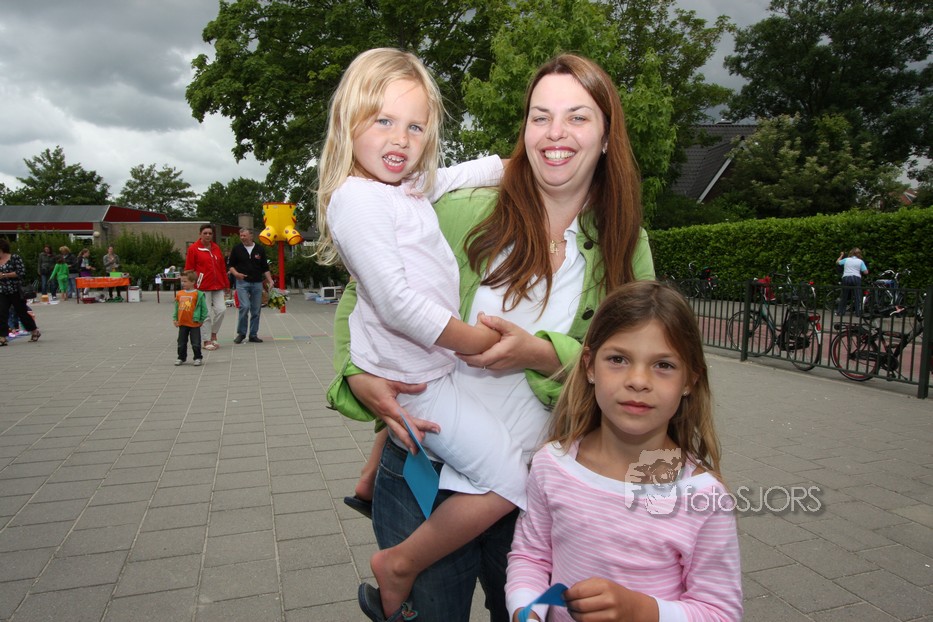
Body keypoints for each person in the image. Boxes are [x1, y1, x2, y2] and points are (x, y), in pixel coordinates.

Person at [328, 53, 655, 621]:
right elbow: (367, 292)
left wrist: (542, 354)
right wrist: (358, 377)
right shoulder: (462, 209)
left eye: (578, 117)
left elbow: (642, 365)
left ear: (607, 138)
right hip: (424, 472)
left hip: (538, 490)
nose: (555, 133)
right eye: (540, 117)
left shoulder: (625, 242)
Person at [315, 48, 512, 621]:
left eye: (415, 126)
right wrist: (476, 343)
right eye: (383, 120)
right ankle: (397, 566)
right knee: (509, 478)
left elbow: (459, 175)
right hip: (420, 380)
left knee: (495, 473)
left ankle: (394, 551)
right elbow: (396, 304)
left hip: (428, 373)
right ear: (348, 121)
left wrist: (513, 163)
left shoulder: (403, 186)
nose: (400, 139)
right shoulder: (357, 198)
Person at [505, 281, 742, 621]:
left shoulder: (704, 497)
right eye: (618, 359)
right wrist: (527, 611)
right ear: (589, 366)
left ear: (690, 380)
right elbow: (531, 557)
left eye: (663, 365)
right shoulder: (551, 465)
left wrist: (642, 610)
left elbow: (720, 612)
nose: (638, 380)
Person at [184, 224, 229, 350]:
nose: (208, 235)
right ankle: (206, 340)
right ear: (200, 234)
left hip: (218, 285)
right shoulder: (193, 249)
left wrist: (226, 284)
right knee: (206, 313)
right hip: (202, 286)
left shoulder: (216, 248)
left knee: (221, 310)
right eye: (205, 233)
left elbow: (222, 267)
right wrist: (190, 285)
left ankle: (214, 334)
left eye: (210, 233)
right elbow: (189, 269)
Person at [227, 227, 274, 344]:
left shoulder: (259, 249)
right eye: (241, 236)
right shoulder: (237, 249)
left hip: (257, 282)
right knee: (245, 306)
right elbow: (230, 265)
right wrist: (236, 274)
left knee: (256, 309)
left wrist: (270, 280)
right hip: (242, 282)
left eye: (245, 235)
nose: (242, 238)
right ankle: (241, 333)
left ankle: (253, 334)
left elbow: (265, 267)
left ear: (251, 236)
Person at [0, 238, 41, 345]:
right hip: (2, 290)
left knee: (21, 312)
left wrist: (4, 275)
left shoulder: (14, 258)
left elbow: (21, 272)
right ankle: (2, 337)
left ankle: (34, 330)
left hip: (16, 290)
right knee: (2, 313)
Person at [173, 270, 208, 366]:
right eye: (182, 281)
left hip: (194, 323)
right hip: (182, 322)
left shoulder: (198, 294)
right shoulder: (179, 294)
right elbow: (176, 307)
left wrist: (201, 319)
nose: (182, 283)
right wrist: (175, 319)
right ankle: (181, 357)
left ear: (193, 282)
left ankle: (198, 357)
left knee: (196, 342)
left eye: (185, 281)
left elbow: (204, 309)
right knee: (181, 342)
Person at [836, 248, 868, 316]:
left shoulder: (846, 259)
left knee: (844, 295)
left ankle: (840, 312)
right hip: (856, 278)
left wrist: (841, 255)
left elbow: (837, 262)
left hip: (846, 277)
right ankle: (858, 313)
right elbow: (866, 272)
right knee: (857, 296)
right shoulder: (860, 261)